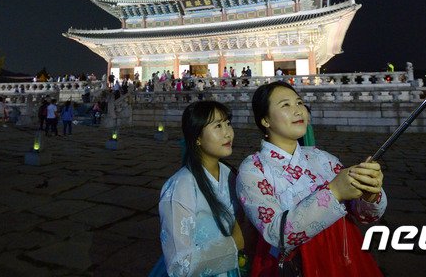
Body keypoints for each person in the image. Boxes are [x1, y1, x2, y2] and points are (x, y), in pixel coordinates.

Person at [236, 81, 387, 276]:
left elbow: (366, 215)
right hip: (298, 265)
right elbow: (276, 233)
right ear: (265, 120)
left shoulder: (322, 158)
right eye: (286, 105)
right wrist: (335, 192)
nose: (298, 110)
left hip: (346, 254)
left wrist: (369, 194)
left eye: (299, 103)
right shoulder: (253, 170)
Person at [154, 101, 248, 277]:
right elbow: (179, 266)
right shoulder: (180, 188)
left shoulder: (232, 175)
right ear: (197, 137)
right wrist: (234, 244)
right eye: (218, 126)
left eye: (228, 123)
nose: (228, 133)